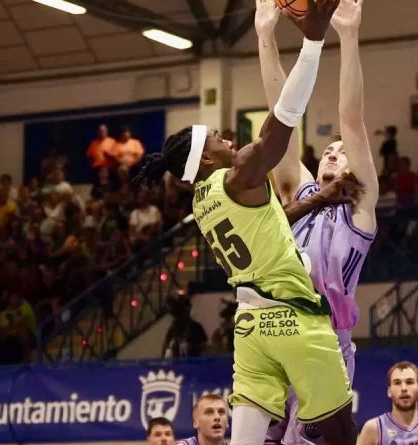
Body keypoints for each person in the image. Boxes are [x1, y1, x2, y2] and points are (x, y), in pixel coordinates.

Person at [133, 3, 354, 445]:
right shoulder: (241, 173)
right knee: (342, 435)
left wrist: (318, 202)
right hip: (294, 319)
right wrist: (312, 38)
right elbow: (287, 114)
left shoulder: (204, 201)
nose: (228, 139)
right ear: (206, 159)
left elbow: (269, 224)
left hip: (251, 330)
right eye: (218, 138)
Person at [257, 0, 378, 444]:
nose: (333, 150)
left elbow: (352, 117)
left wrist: (348, 35)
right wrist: (264, 36)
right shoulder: (300, 191)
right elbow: (280, 117)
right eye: (329, 148)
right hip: (278, 336)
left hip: (327, 345)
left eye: (342, 150)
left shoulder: (360, 205)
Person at [356, 362, 418, 445]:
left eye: (409, 382)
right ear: (389, 391)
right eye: (397, 383)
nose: (404, 388)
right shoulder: (373, 428)